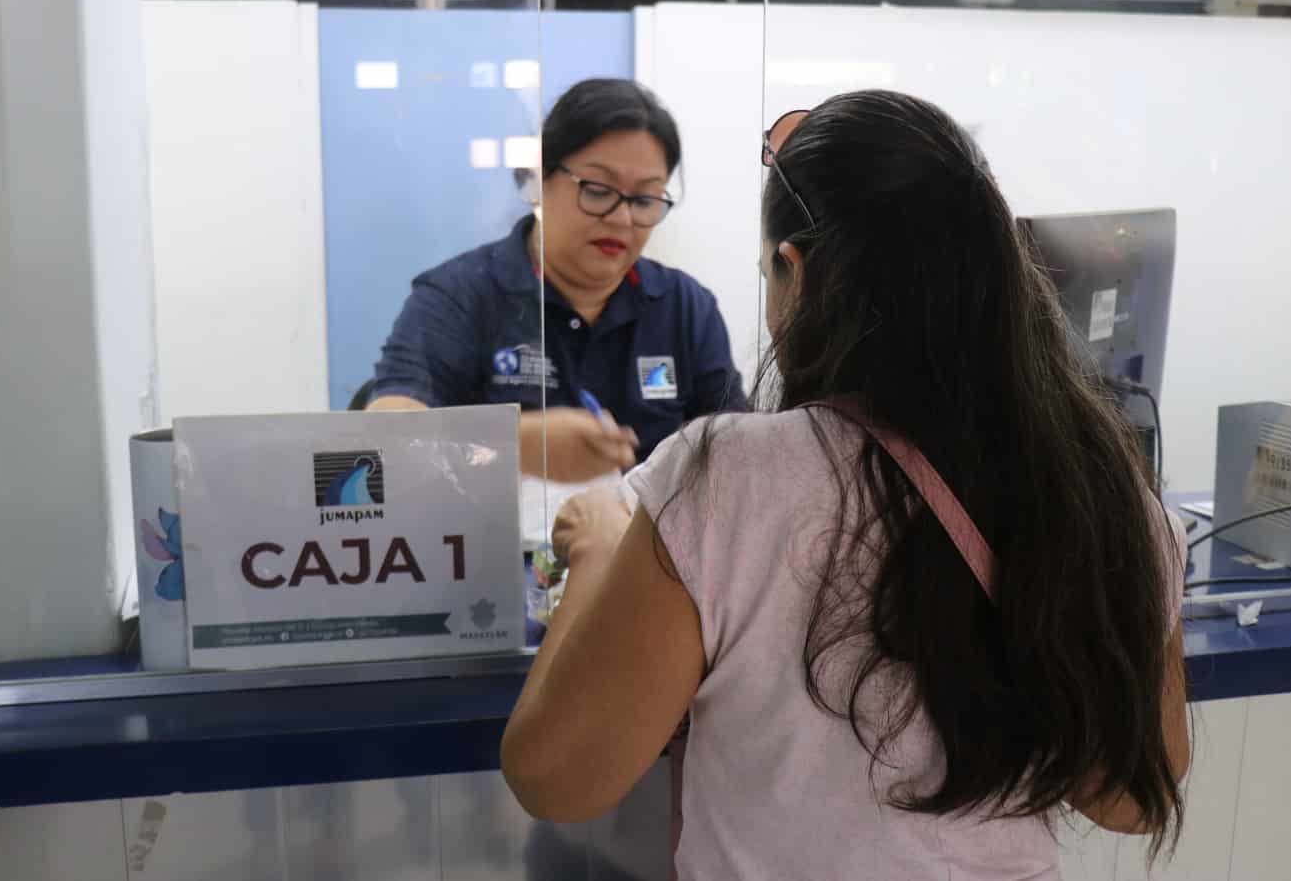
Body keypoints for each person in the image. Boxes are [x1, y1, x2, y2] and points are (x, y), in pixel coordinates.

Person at [500, 90, 1190, 879]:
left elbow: (555, 775)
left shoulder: (729, 477)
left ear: (795, 273)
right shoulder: (1111, 496)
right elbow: (1132, 798)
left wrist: (598, 550)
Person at [368, 78, 747, 485]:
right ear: (538, 181)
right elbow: (385, 433)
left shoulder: (684, 307)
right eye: (598, 190)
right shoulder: (461, 294)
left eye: (643, 200)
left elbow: (737, 455)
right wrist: (518, 444)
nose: (621, 219)